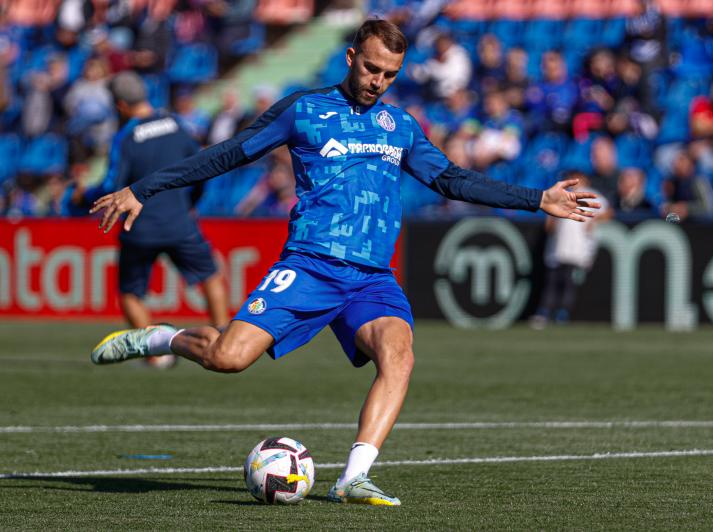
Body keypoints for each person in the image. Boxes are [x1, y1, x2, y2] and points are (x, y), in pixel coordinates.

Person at [88, 19, 598, 505]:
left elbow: (453, 179)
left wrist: (537, 198)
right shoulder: (303, 110)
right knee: (228, 357)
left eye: (390, 74)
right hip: (311, 265)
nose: (378, 81)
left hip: (371, 277)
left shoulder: (398, 125)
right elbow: (226, 154)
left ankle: (354, 479)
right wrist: (142, 188)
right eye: (371, 68)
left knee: (399, 355)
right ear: (351, 56)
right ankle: (159, 338)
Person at [66, 71, 228, 366]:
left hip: (138, 226)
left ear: (120, 105)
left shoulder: (125, 137)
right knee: (210, 276)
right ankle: (222, 339)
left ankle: (157, 358)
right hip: (180, 221)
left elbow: (110, 185)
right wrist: (191, 203)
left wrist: (81, 196)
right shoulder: (179, 126)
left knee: (129, 292)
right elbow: (204, 169)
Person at [531, 170, 613, 329]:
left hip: (577, 248)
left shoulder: (591, 195)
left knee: (568, 282)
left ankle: (562, 314)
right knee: (552, 282)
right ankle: (544, 313)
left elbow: (608, 212)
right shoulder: (561, 195)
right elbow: (550, 223)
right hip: (558, 247)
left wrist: (593, 220)